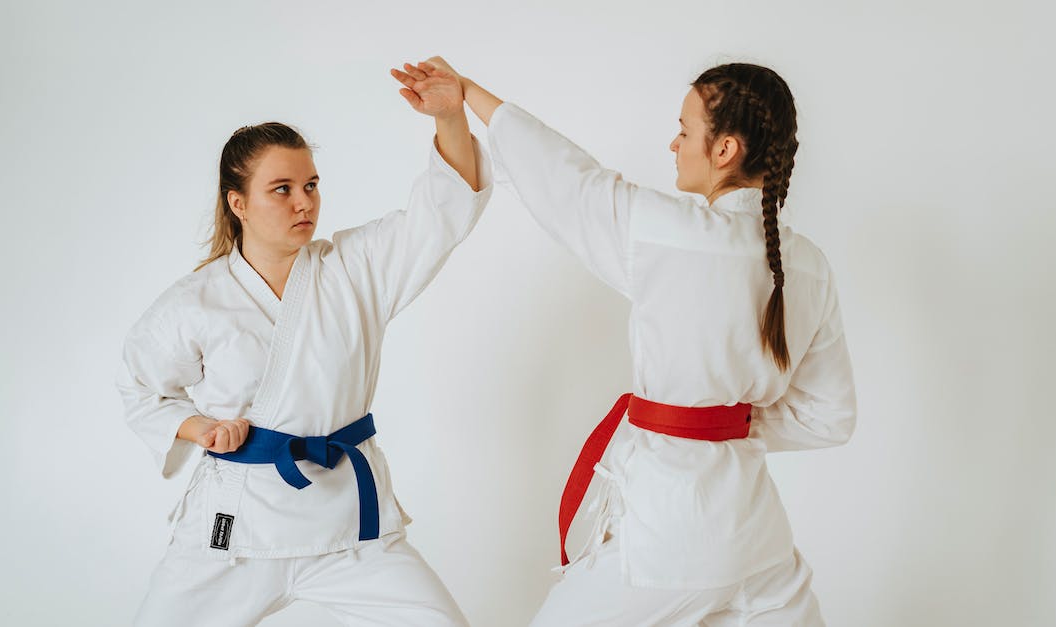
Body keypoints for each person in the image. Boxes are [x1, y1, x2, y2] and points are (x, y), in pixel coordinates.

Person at [393, 58, 856, 626]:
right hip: (761, 548)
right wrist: (725, 422)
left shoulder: (669, 234)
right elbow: (829, 417)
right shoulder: (808, 265)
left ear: (725, 150)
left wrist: (467, 93)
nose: (673, 143)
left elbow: (569, 182)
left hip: (673, 539)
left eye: (685, 131)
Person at [116, 63, 491, 626]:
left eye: (311, 185)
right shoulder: (196, 300)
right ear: (238, 203)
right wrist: (202, 429)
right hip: (236, 528)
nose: (304, 203)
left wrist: (449, 115)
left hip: (348, 529)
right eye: (282, 189)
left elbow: (443, 212)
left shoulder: (356, 268)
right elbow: (141, 387)